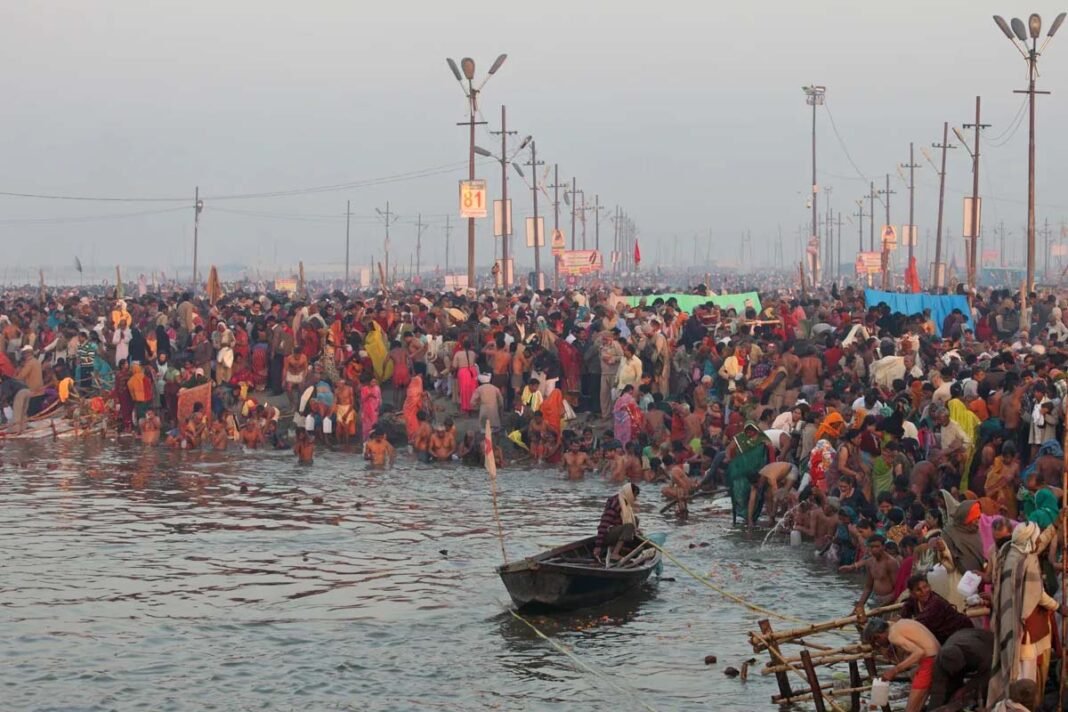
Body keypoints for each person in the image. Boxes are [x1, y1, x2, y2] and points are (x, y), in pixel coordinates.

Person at [988, 521, 1062, 709]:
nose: (1038, 542)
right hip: (1025, 628)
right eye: (1035, 538)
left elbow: (1037, 545)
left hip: (1013, 622)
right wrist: (1059, 607)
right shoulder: (1026, 560)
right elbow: (1037, 594)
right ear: (1028, 540)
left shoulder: (1009, 551)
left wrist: (1054, 525)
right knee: (1025, 676)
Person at [863, 616, 940, 712]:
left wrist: (895, 670)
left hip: (929, 662)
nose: (878, 644)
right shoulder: (899, 624)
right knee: (917, 707)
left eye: (876, 641)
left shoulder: (893, 635)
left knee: (910, 710)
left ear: (878, 636)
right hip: (937, 657)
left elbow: (919, 652)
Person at [926, 627, 994, 709]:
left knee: (987, 687)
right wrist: (933, 709)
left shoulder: (978, 652)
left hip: (986, 642)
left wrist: (966, 688)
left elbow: (987, 674)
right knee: (951, 691)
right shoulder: (940, 662)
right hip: (960, 642)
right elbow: (937, 690)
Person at [593, 482, 641, 564]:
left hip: (615, 534)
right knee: (629, 526)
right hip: (607, 535)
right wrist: (598, 546)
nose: (635, 499)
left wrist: (636, 530)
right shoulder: (615, 503)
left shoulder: (625, 503)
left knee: (635, 520)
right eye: (634, 496)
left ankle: (615, 548)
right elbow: (604, 524)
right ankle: (614, 554)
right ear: (629, 493)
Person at [856, 534, 900, 609]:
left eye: (877, 546)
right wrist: (860, 605)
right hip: (875, 599)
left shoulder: (890, 563)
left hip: (888, 601)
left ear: (883, 547)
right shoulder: (870, 562)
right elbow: (868, 587)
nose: (874, 549)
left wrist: (886, 602)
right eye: (872, 547)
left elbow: (897, 588)